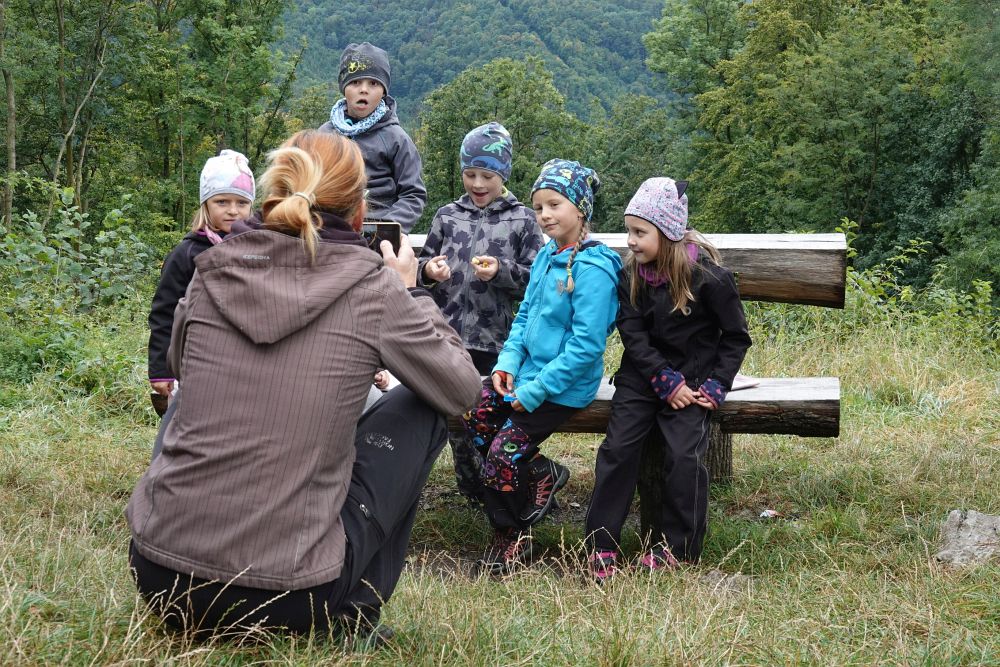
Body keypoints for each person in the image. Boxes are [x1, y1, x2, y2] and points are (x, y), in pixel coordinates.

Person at [126, 130, 482, 641]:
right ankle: (351, 617)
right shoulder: (372, 287)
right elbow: (462, 390)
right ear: (359, 212)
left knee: (187, 396)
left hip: (161, 579)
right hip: (287, 596)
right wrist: (411, 290)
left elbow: (179, 361)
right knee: (426, 402)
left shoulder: (210, 269)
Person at [584, 177, 752, 581]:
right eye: (629, 231)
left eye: (640, 232)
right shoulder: (633, 277)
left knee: (684, 455)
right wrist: (663, 380)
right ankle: (601, 543)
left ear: (670, 233)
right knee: (618, 449)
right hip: (643, 379)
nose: (631, 241)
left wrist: (715, 386)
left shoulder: (710, 279)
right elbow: (632, 333)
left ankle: (679, 547)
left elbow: (735, 338)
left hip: (695, 384)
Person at [462, 159, 622, 574]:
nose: (545, 215)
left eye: (555, 204)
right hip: (528, 377)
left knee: (500, 454)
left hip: (564, 388)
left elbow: (585, 348)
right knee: (475, 416)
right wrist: (507, 364)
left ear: (581, 209)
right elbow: (524, 316)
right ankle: (541, 471)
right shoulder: (549, 255)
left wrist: (533, 392)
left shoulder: (594, 269)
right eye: (538, 207)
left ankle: (511, 538)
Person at [417, 121, 544, 504]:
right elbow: (423, 266)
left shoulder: (522, 219)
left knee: (489, 420)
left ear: (503, 174)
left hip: (497, 341)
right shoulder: (447, 216)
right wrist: (429, 272)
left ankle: (502, 486)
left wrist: (500, 273)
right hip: (448, 336)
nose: (477, 183)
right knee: (456, 421)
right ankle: (472, 491)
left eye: (486, 175)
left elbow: (534, 280)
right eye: (469, 174)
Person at [147, 150, 255, 410]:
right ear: (206, 203)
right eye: (222, 202)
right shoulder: (186, 253)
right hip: (195, 360)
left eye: (241, 203)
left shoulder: (259, 250)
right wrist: (161, 370)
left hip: (248, 361)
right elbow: (164, 313)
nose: (233, 211)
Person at [319, 42, 426, 232]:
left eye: (373, 83)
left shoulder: (396, 138)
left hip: (378, 229)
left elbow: (413, 194)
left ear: (384, 91)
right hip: (330, 229)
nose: (364, 90)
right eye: (355, 82)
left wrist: (388, 229)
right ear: (343, 88)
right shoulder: (324, 135)